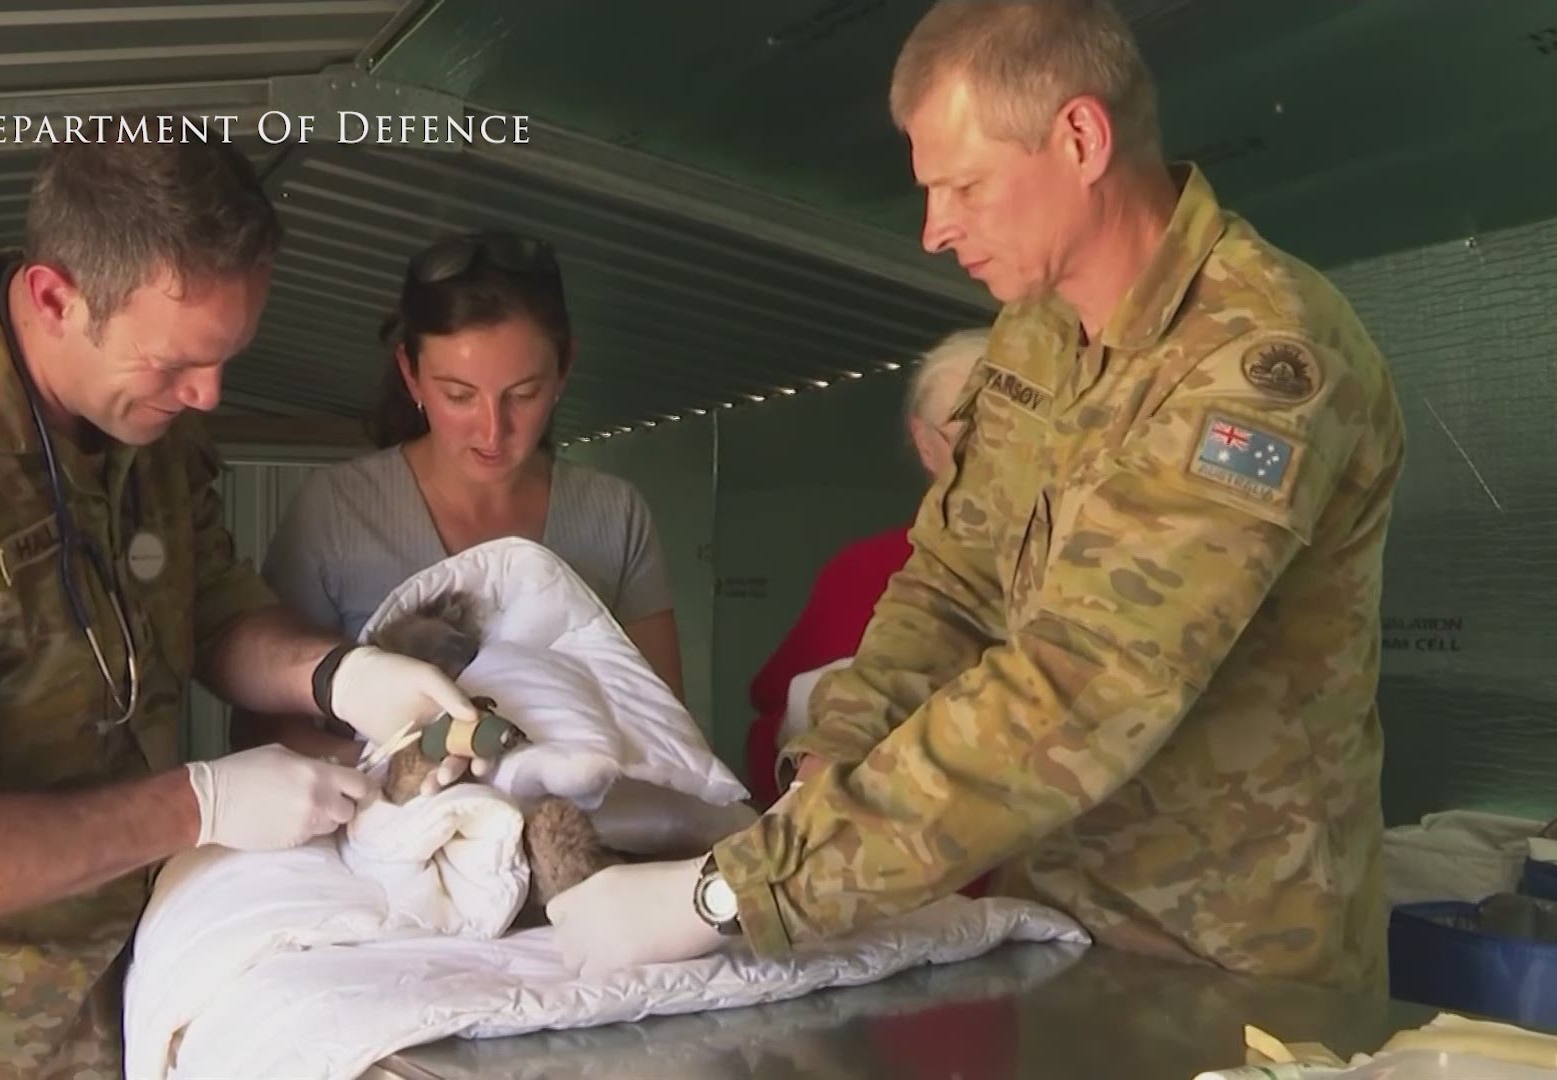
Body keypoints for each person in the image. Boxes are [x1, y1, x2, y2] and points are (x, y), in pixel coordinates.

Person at [548, 0, 1404, 994]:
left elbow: (1086, 683)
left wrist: (736, 893)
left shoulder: (1256, 362)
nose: (932, 231)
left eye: (963, 186)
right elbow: (953, 582)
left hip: (1235, 961)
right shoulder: (1039, 333)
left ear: (1080, 137)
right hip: (1054, 925)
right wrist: (831, 759)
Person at [0, 136, 481, 1079]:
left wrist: (338, 676)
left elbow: (213, 607)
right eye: (180, 363)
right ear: (58, 298)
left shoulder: (138, 412)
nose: (207, 393)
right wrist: (199, 804)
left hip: (133, 985)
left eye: (225, 358)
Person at [242, 229, 684, 761]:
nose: (492, 431)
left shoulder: (614, 516)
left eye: (523, 394)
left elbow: (664, 727)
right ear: (412, 374)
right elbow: (257, 733)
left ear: (565, 368)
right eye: (459, 396)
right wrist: (394, 777)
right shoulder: (336, 512)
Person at [743, 327, 986, 807]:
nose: (997, 468)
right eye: (969, 441)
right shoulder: (861, 573)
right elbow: (773, 726)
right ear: (925, 442)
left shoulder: (1088, 573)